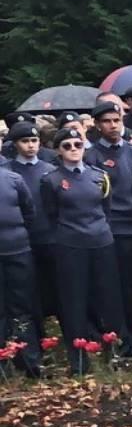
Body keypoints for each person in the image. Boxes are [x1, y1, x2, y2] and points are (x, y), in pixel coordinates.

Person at [39, 130, 124, 375]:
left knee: (109, 299)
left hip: (101, 242)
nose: (74, 149)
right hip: (71, 245)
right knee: (73, 301)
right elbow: (50, 213)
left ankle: (113, 354)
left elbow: (105, 209)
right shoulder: (51, 180)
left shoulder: (100, 176)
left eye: (78, 144)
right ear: (58, 150)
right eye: (67, 145)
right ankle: (78, 359)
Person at [85, 101, 132, 358]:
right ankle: (127, 339)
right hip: (115, 230)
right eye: (107, 121)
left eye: (117, 120)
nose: (113, 125)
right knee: (125, 288)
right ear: (98, 125)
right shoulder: (91, 156)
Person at [6, 123, 57, 335]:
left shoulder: (50, 170)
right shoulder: (9, 172)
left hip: (51, 238)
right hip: (24, 241)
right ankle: (36, 336)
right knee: (29, 292)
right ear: (16, 144)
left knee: (56, 287)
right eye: (25, 141)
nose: (30, 146)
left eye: (34, 141)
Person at [0, 160, 41, 377]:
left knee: (22, 308)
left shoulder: (13, 179)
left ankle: (30, 362)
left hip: (17, 250)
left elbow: (29, 213)